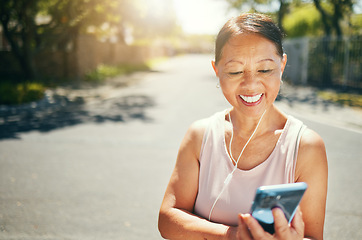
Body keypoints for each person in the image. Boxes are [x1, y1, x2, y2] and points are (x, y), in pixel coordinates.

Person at [158, 13, 328, 240]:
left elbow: (313, 236)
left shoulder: (306, 147)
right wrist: (234, 236)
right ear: (217, 71)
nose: (250, 84)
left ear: (282, 65)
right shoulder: (200, 136)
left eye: (265, 70)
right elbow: (168, 218)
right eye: (235, 71)